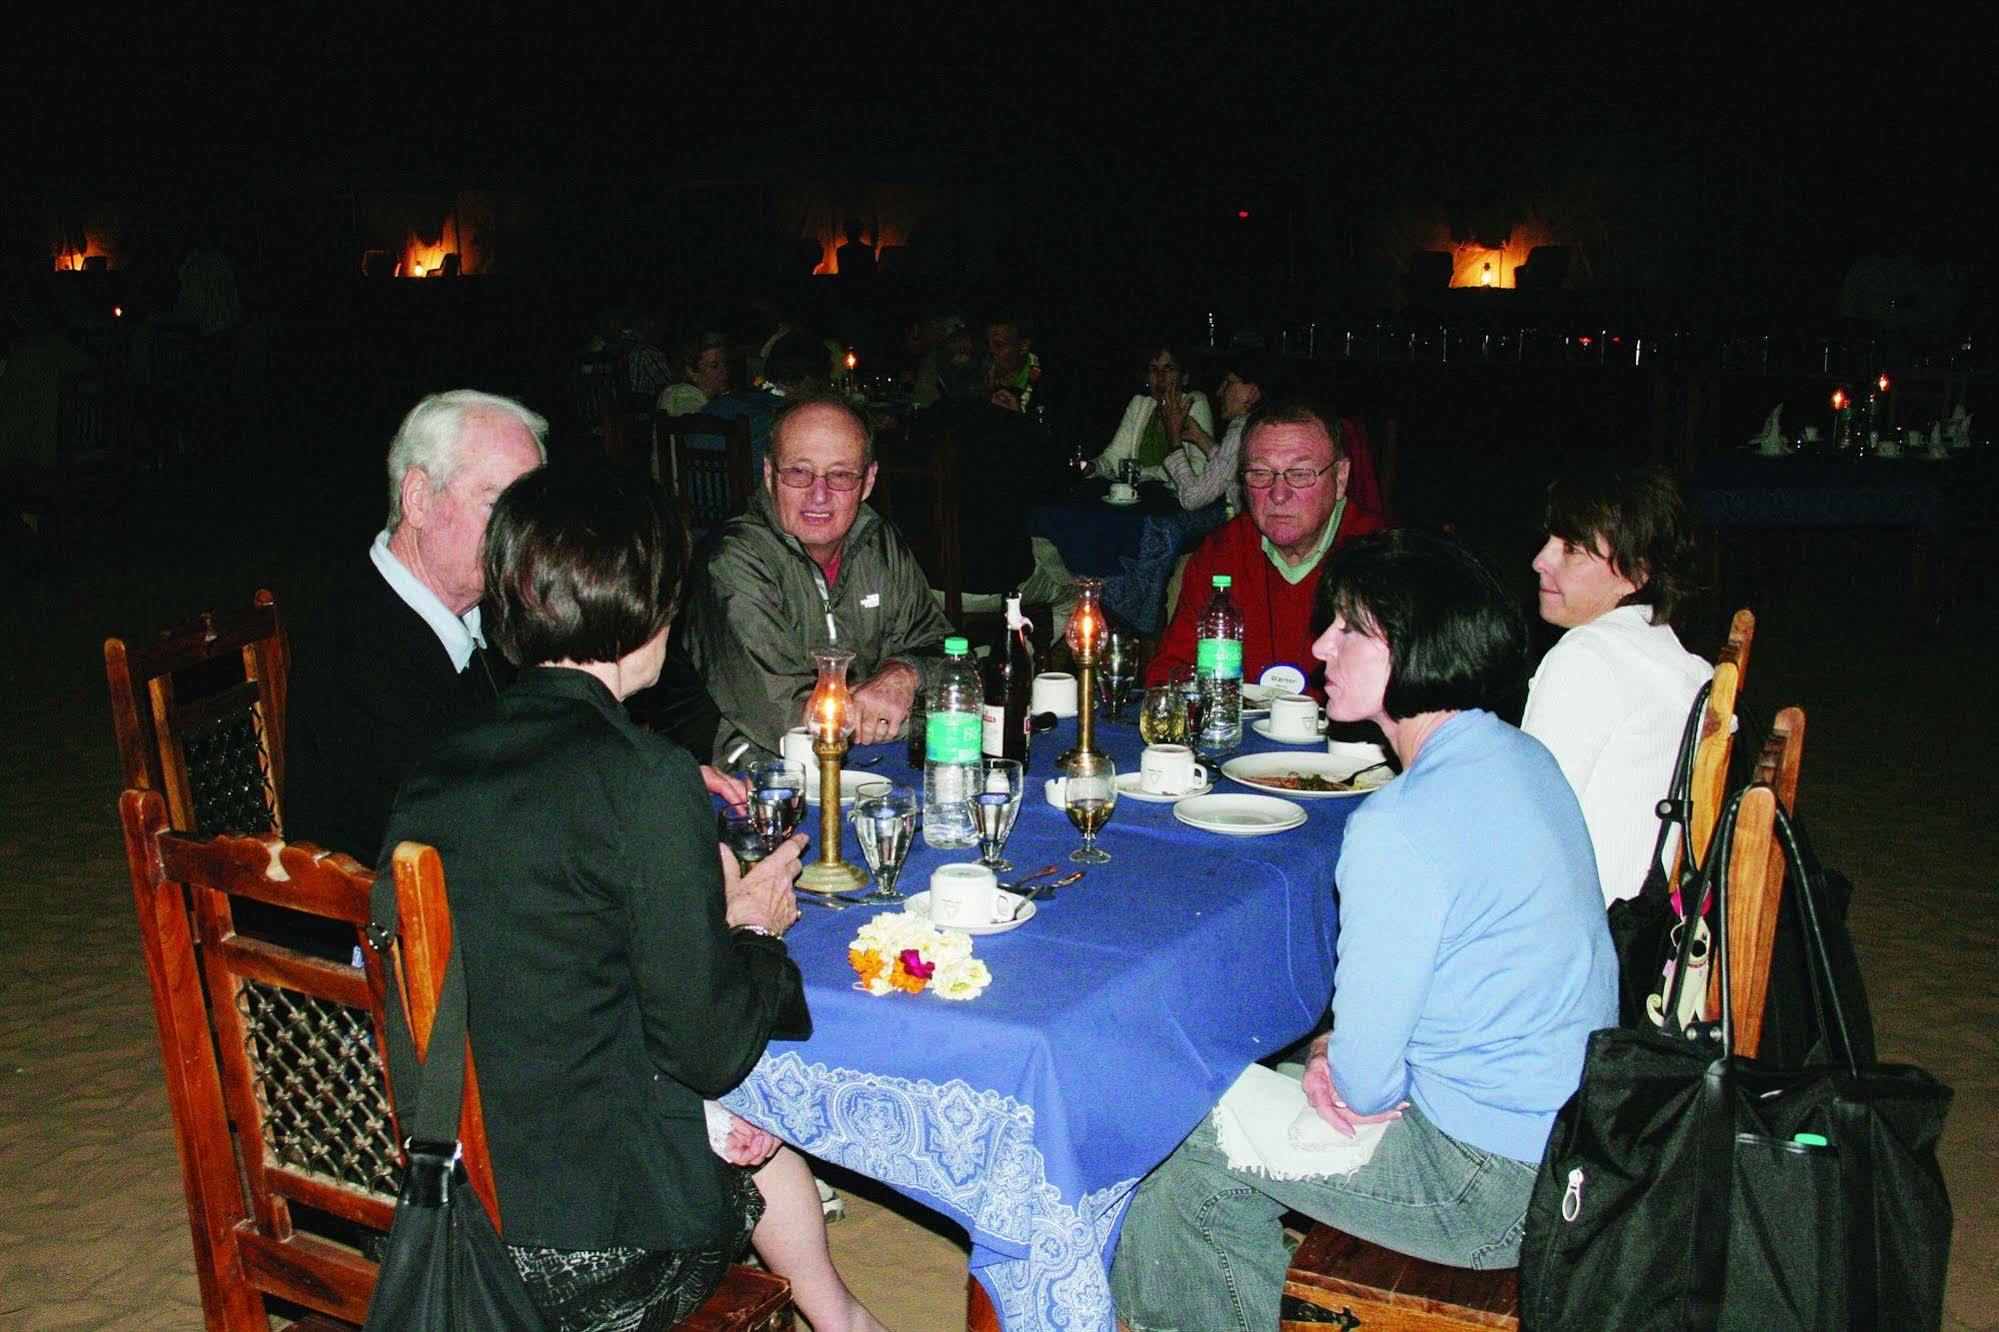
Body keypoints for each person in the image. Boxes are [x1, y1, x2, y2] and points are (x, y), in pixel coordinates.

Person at [378, 466, 885, 1331]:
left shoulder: (435, 772)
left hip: (457, 1186)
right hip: (586, 1247)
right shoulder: (645, 777)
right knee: (755, 1121)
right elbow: (711, 1048)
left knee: (728, 1120)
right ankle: (839, 1316)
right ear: (649, 611)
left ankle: (838, 1317)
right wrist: (753, 930)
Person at [1112, 530, 1618, 1332]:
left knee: (1172, 1133)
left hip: (1484, 1185)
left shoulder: (1400, 823)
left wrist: (1338, 1061)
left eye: (1350, 629)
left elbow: (1366, 1085)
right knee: (1254, 1096)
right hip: (1573, 1147)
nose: (1320, 645)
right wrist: (1334, 1055)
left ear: (1415, 647)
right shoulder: (1521, 758)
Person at [286, 388, 733, 861]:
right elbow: (455, 829)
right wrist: (630, 794)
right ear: (417, 498)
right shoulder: (357, 643)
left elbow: (532, 755)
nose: (522, 535)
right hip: (383, 917)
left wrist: (635, 775)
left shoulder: (485, 611)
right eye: (496, 503)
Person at [677, 393, 953, 759]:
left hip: (873, 764)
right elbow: (791, 717)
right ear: (769, 474)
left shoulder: (878, 541)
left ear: (868, 481)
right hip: (756, 779)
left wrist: (903, 674)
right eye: (799, 472)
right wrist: (915, 719)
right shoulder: (733, 562)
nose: (818, 495)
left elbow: (946, 655)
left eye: (840, 475)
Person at [1521, 462, 1713, 905]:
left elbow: (1528, 830)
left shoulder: (1586, 658)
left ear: (1637, 572)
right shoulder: (1671, 654)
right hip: (1647, 916)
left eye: (1570, 548)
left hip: (1584, 928)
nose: (1540, 561)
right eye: (1549, 539)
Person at [1142, 398, 1388, 690]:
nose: (1278, 494)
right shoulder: (1222, 551)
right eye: (1260, 474)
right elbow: (1169, 672)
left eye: (1299, 474)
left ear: (1340, 477)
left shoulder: (1384, 557)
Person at [1159, 352, 1280, 513]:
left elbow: (1192, 498)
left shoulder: (1243, 429)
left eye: (1228, 383)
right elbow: (1229, 466)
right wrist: (1198, 436)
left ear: (1252, 391)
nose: (1220, 392)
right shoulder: (1268, 424)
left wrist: (1173, 438)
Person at [704, 330, 826, 474]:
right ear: (809, 377)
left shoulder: (719, 404)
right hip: (749, 494)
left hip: (695, 494)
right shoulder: (786, 421)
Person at [1091, 344, 1215, 481]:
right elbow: (1114, 457)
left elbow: (1198, 469)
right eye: (1153, 369)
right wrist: (1092, 467)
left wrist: (1142, 472)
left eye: (1168, 369)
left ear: (1184, 378)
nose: (1160, 377)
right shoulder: (1139, 405)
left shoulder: (1193, 403)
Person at [657, 330, 731, 416]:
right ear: (691, 371)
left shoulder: (720, 397)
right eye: (714, 366)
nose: (725, 371)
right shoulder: (682, 398)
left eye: (725, 363)